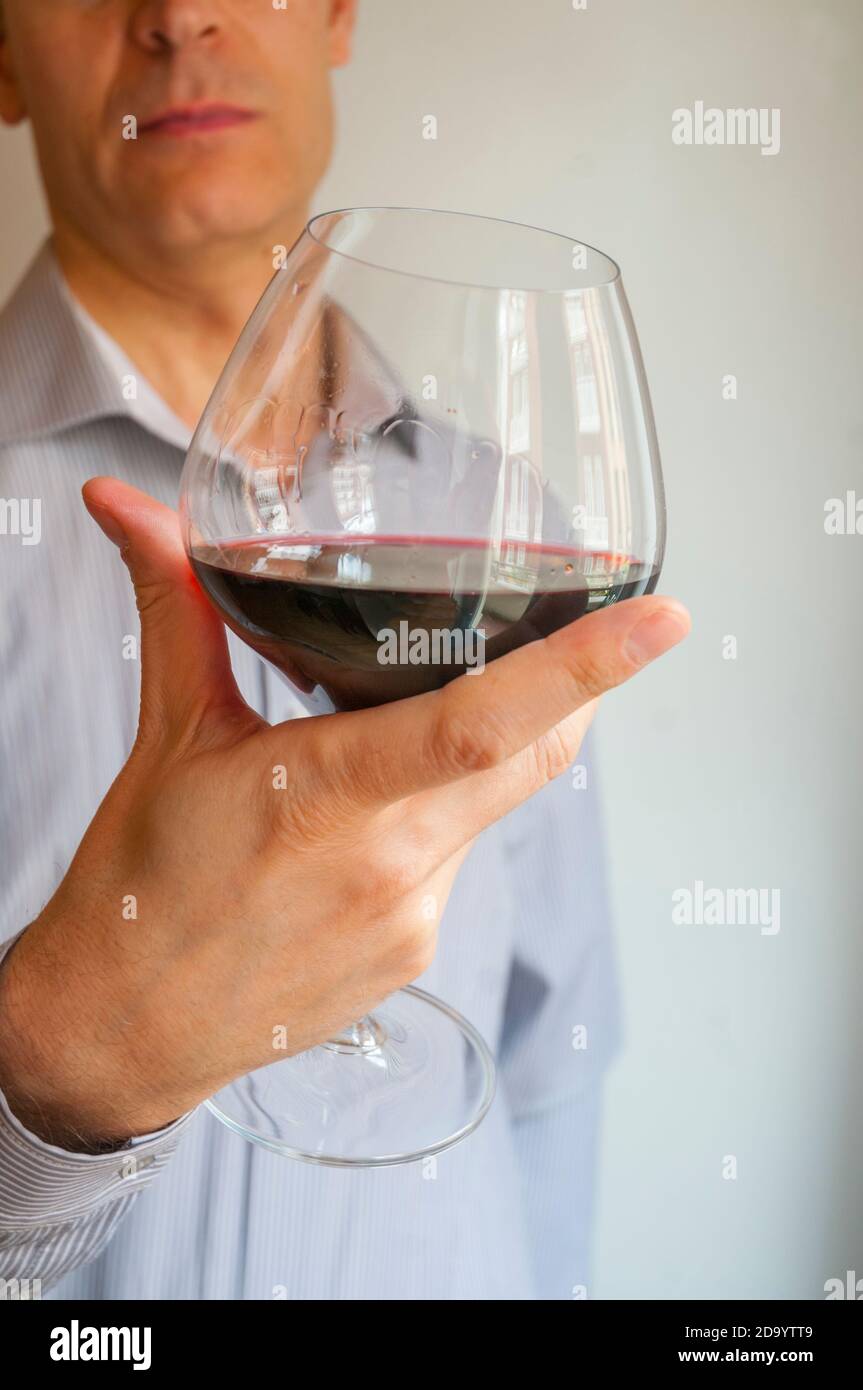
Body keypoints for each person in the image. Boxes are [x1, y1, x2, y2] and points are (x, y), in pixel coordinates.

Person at [0, 0, 689, 1300]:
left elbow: (551, 1061)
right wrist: (50, 1071)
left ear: (335, 15)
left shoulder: (513, 530)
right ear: (1, 62)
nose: (178, 13)